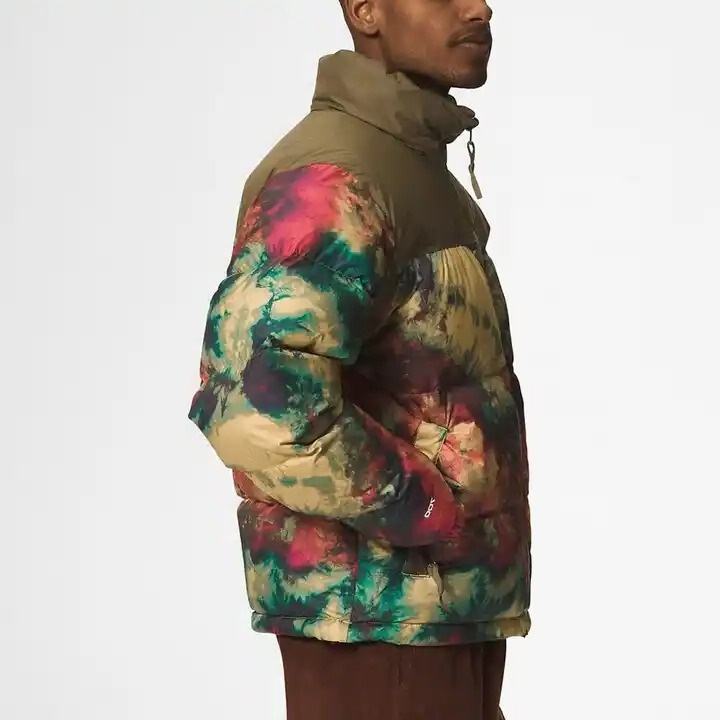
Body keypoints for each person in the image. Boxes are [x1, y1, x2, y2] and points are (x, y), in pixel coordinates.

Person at [187, 1, 531, 717]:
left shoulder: (412, 166)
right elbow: (256, 403)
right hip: (376, 626)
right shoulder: (335, 177)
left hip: (439, 615)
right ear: (365, 9)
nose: (479, 7)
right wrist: (419, 505)